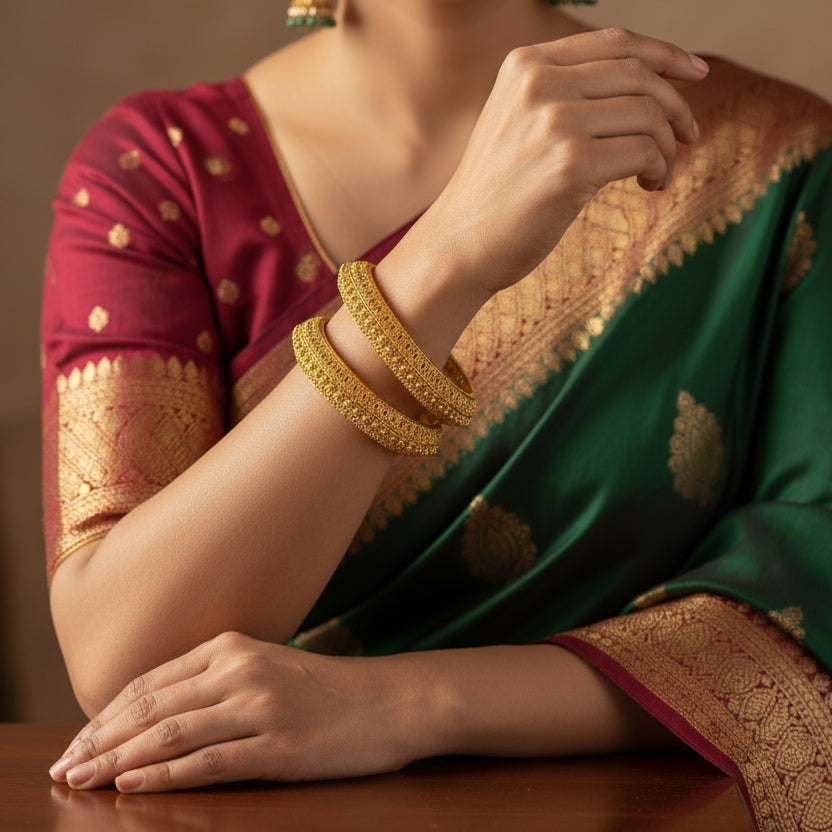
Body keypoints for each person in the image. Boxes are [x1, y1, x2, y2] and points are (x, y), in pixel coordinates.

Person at [42, 1, 832, 828]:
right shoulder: (161, 172)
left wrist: (406, 703)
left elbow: (808, 593)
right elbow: (126, 659)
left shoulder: (769, 160)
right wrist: (444, 258)